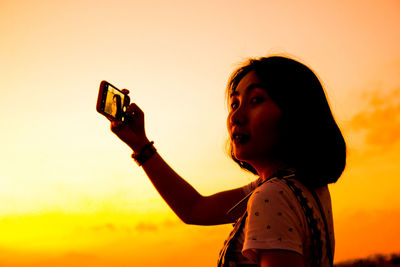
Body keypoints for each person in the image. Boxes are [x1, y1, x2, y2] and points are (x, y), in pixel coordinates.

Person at [109, 55, 347, 267]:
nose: (236, 116)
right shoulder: (300, 186)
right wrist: (141, 145)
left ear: (295, 112)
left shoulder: (272, 196)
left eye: (255, 100)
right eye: (235, 104)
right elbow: (194, 208)